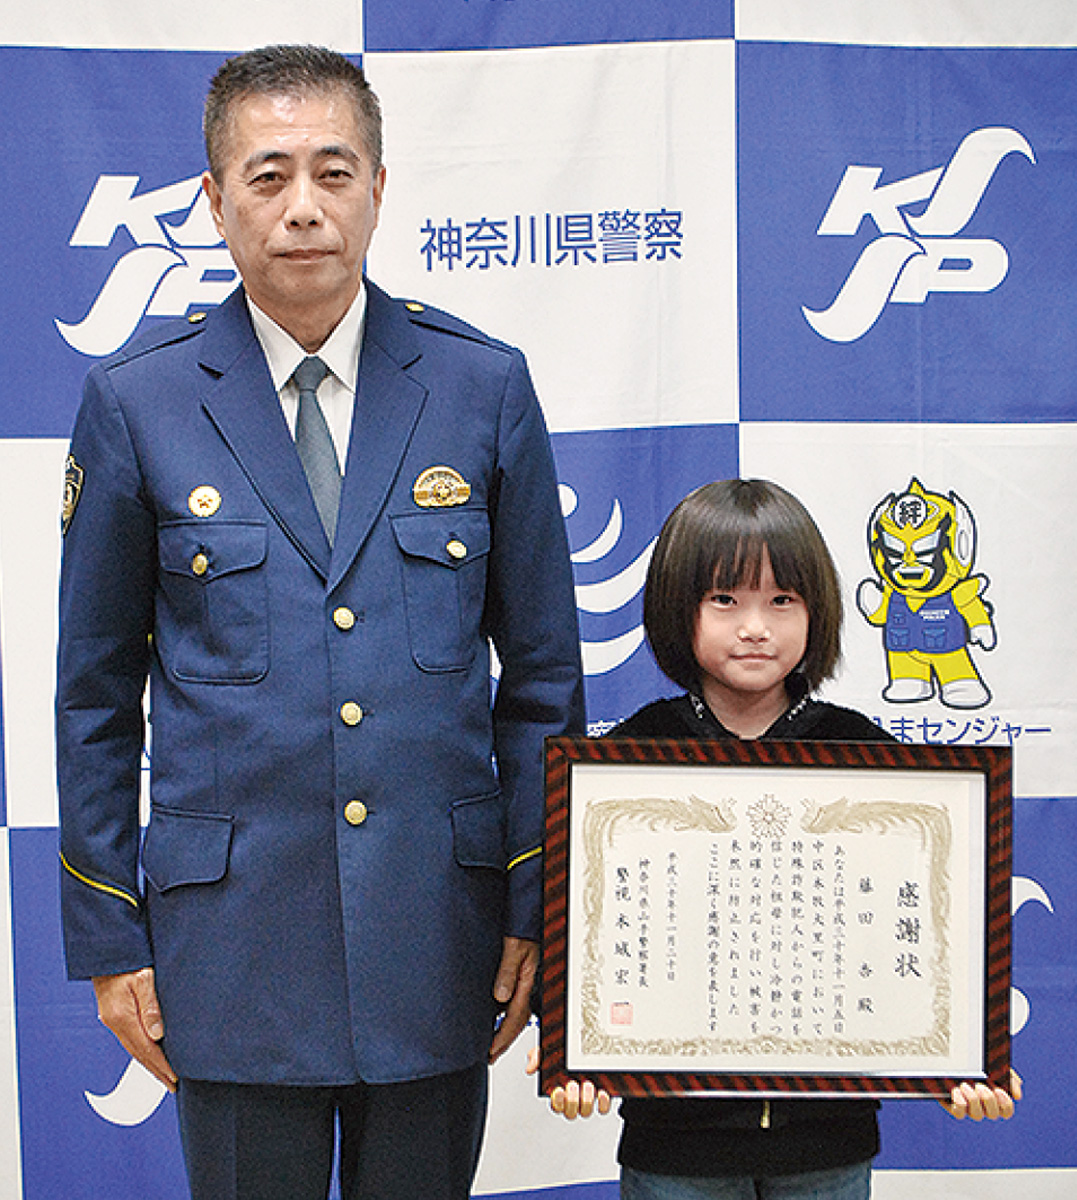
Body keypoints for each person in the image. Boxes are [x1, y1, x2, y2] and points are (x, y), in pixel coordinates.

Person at [56, 44, 584, 1200]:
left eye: (333, 173)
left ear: (378, 189)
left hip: (434, 939)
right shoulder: (137, 401)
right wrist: (108, 936)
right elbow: (93, 696)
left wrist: (533, 903)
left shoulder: (481, 387)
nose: (303, 207)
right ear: (215, 201)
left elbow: (543, 680)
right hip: (230, 951)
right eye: (268, 175)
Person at [529, 479, 1019, 1200]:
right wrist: (572, 1050)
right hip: (675, 1144)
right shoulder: (628, 760)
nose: (755, 627)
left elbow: (926, 941)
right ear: (678, 609)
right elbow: (584, 933)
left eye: (782, 600)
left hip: (827, 1143)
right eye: (725, 600)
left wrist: (967, 1058)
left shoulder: (869, 757)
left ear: (817, 611)